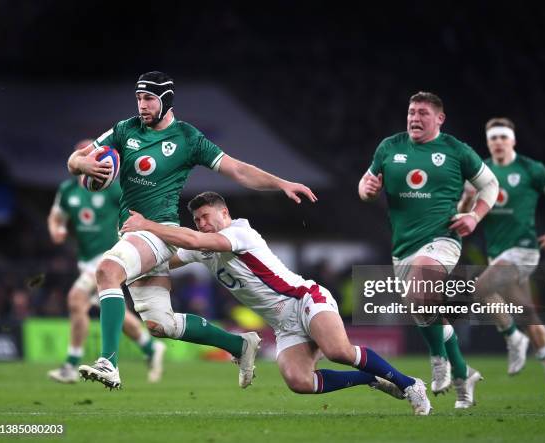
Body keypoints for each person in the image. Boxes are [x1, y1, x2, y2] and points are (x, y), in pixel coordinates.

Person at [67, 72, 317, 390]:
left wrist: (281, 183)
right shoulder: (124, 129)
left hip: (157, 232)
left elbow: (238, 169)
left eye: (149, 99)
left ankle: (109, 363)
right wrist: (83, 165)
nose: (142, 105)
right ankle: (239, 346)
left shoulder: (187, 138)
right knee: (160, 325)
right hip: (130, 232)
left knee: (107, 271)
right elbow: (74, 160)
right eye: (139, 98)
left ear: (166, 100)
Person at [120, 192, 432, 415]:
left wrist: (147, 224)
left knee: (339, 352)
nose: (201, 223)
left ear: (223, 213)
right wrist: (126, 263)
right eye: (197, 219)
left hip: (305, 300)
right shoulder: (205, 246)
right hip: (283, 324)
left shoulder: (239, 232)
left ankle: (410, 385)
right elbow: (166, 259)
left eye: (205, 216)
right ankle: (370, 378)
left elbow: (195, 242)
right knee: (300, 382)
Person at [358, 92, 499, 408]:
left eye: (422, 112)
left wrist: (474, 216)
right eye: (411, 112)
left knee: (423, 289)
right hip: (402, 247)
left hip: (442, 239)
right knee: (424, 309)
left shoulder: (455, 151)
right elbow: (366, 183)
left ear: (439, 118)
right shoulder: (390, 146)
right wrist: (366, 190)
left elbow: (490, 185)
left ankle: (438, 359)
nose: (414, 118)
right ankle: (463, 374)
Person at [459, 117, 545, 395]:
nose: (498, 142)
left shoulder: (530, 169)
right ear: (488, 142)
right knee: (528, 314)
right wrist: (466, 199)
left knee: (481, 288)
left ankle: (512, 338)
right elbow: (464, 212)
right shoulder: (480, 172)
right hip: (497, 255)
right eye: (493, 138)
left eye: (503, 137)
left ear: (513, 140)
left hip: (523, 250)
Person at [47, 139, 165, 384]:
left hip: (107, 257)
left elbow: (132, 211)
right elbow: (55, 217)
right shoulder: (68, 190)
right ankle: (150, 348)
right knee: (114, 314)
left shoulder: (112, 188)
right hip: (85, 260)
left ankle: (70, 364)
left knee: (75, 300)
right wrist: (56, 228)